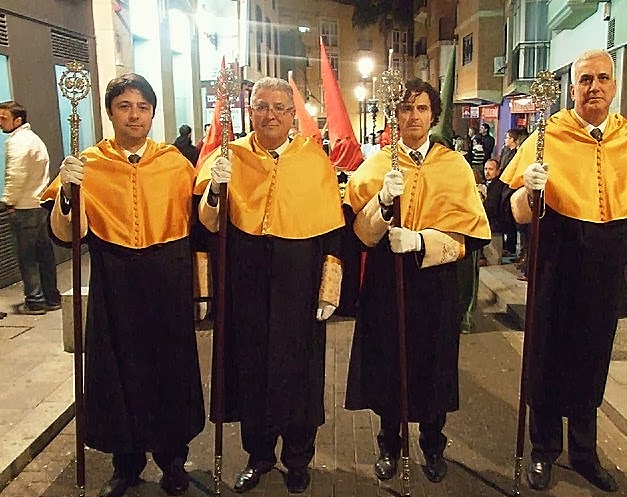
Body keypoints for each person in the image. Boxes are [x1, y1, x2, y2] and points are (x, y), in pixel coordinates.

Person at [500, 49, 627, 493]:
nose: (594, 87)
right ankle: (543, 450)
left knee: (591, 364)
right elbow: (504, 208)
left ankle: (585, 453)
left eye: (602, 78)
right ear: (572, 88)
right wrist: (528, 192)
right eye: (586, 79)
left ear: (614, 85)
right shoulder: (546, 137)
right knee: (547, 362)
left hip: (603, 278)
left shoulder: (626, 141)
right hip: (555, 275)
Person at [41, 73, 205, 497]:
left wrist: (217, 192)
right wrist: (68, 192)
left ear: (152, 113)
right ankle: (125, 464)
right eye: (124, 106)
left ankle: (173, 461)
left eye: (142, 107)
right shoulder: (90, 163)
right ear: (110, 113)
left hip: (167, 279)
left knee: (170, 370)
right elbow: (67, 235)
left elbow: (203, 224)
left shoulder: (175, 163)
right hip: (116, 281)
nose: (135, 115)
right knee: (119, 371)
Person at [195, 76, 345, 495]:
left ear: (293, 114)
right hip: (247, 283)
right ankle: (258, 456)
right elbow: (206, 226)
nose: (270, 115)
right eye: (261, 106)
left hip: (300, 284)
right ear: (250, 111)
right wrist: (215, 189)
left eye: (280, 107)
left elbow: (333, 236)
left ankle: (298, 458)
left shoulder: (314, 160)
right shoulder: (230, 155)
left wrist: (329, 289)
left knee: (300, 373)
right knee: (251, 370)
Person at [343, 78, 491, 484]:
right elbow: (358, 234)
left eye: (421, 108)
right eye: (406, 108)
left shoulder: (454, 165)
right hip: (386, 283)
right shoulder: (377, 165)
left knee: (434, 366)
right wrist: (382, 202)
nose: (413, 116)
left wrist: (422, 240)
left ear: (433, 115)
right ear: (395, 115)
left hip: (435, 284)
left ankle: (432, 445)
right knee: (389, 363)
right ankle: (389, 444)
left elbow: (471, 237)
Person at [0, 101, 61, 315]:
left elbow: (15, 175)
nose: (0, 123)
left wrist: (8, 201)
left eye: (3, 118)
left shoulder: (17, 142)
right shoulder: (34, 139)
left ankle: (35, 301)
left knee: (27, 257)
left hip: (24, 208)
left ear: (18, 120)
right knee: (44, 255)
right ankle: (51, 297)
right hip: (40, 204)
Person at [499, 128, 523, 257]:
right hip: (503, 185)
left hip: (512, 187)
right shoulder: (505, 150)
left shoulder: (517, 153)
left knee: (512, 216)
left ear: (513, 139)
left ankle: (511, 246)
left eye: (507, 137)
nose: (505, 140)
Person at [479, 159, 508, 266]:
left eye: (490, 169)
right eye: (485, 169)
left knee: (494, 262)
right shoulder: (484, 184)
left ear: (498, 171)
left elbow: (493, 207)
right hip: (485, 228)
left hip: (494, 229)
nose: (487, 172)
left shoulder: (499, 186)